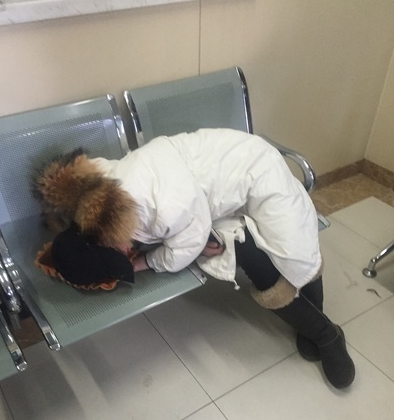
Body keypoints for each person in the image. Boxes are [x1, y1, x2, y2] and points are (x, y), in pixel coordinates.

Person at [35, 128, 355, 389]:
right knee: (245, 250)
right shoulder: (96, 195)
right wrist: (193, 241)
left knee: (296, 251)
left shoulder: (162, 205)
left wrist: (144, 262)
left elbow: (184, 243)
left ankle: (326, 334)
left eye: (122, 253)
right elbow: (187, 229)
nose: (129, 253)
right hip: (210, 197)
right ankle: (318, 329)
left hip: (253, 169)